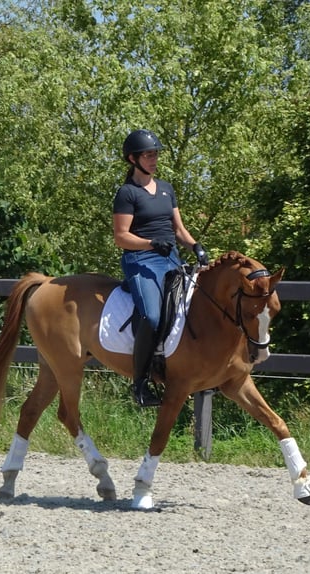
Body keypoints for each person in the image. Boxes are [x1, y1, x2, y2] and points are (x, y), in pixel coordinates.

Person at [113, 129, 209, 407]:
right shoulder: (127, 193)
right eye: (148, 155)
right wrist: (150, 244)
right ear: (133, 159)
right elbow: (121, 236)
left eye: (155, 154)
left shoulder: (166, 189)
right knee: (152, 317)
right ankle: (140, 384)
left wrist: (195, 246)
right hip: (140, 261)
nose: (154, 159)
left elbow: (178, 229)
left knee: (192, 311)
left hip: (171, 259)